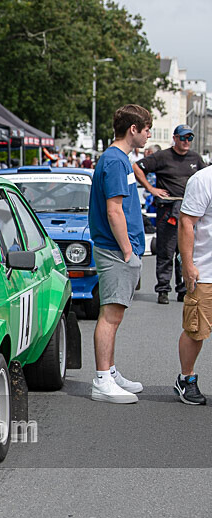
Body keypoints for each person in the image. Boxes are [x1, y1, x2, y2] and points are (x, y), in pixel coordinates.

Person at [88, 104, 151, 403]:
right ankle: (102, 379)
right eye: (146, 128)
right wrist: (128, 251)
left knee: (113, 315)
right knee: (110, 316)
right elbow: (114, 210)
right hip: (115, 250)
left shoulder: (118, 159)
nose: (149, 134)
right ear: (133, 130)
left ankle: (109, 371)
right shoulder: (115, 161)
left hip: (117, 249)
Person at [134, 125, 207, 304]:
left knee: (185, 251)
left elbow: (206, 178)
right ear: (174, 138)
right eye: (183, 138)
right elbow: (137, 167)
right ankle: (163, 289)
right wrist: (151, 189)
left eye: (190, 138)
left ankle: (183, 288)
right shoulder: (163, 156)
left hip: (189, 210)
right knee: (166, 251)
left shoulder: (195, 158)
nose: (186, 142)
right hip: (168, 210)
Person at [175, 164, 212, 405]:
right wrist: (188, 265)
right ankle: (185, 378)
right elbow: (186, 222)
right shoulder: (203, 179)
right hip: (206, 271)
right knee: (195, 330)